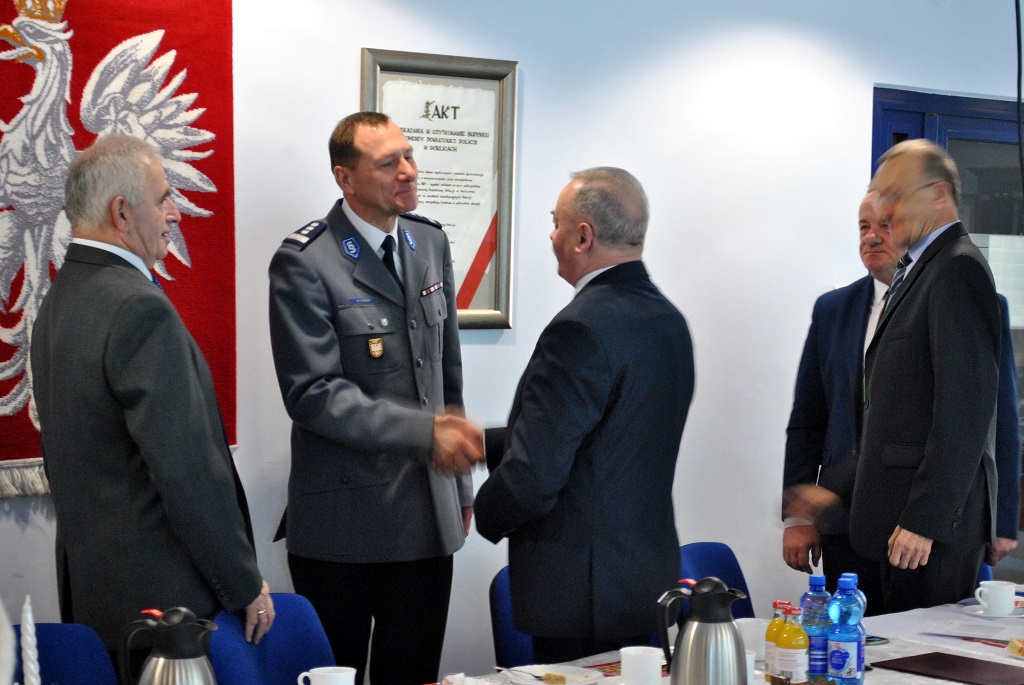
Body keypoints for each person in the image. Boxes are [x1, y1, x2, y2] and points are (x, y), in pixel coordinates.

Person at [31, 135, 274, 665]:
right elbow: (186, 470)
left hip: (97, 598)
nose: (175, 214)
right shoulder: (138, 308)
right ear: (121, 212)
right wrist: (242, 582)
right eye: (164, 198)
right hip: (166, 610)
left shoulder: (59, 299)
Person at [267, 112, 482, 684]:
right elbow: (313, 394)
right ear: (345, 177)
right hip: (343, 530)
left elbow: (447, 377)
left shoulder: (428, 241)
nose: (408, 171)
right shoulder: (305, 261)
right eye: (388, 163)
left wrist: (460, 485)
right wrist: (424, 434)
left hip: (427, 519)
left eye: (408, 156)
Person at [474, 167, 694, 663]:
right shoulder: (669, 320)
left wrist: (479, 510)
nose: (551, 235)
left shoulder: (579, 329)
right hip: (643, 579)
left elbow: (535, 477)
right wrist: (487, 444)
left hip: (581, 591)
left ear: (582, 236)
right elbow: (611, 436)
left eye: (556, 222)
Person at [783, 194, 1020, 613]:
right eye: (863, 226)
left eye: (885, 225)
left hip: (930, 520)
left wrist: (1001, 518)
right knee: (852, 641)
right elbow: (808, 418)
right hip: (844, 516)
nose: (871, 237)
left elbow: (993, 416)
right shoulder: (832, 310)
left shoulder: (968, 296)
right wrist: (800, 517)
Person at [850, 139, 1002, 611]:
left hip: (924, 534)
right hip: (894, 523)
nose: (884, 209)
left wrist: (925, 520)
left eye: (895, 195)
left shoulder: (957, 269)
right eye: (881, 195)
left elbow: (965, 410)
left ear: (938, 194)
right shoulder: (919, 271)